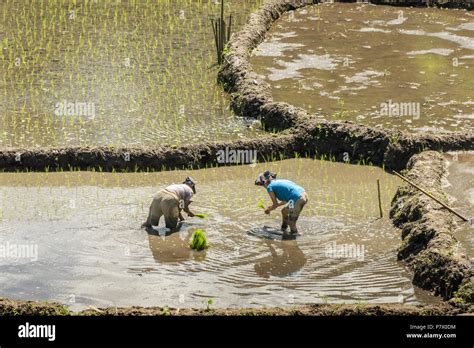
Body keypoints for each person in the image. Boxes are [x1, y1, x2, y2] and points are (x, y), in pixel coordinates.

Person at [255, 171, 308, 235]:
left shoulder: (270, 187)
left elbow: (275, 205)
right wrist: (273, 206)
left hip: (297, 199)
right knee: (284, 211)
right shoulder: (277, 182)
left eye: (261, 185)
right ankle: (284, 228)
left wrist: (268, 210)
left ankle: (294, 238)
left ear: (264, 182)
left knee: (291, 222)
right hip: (303, 194)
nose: (263, 187)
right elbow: (285, 201)